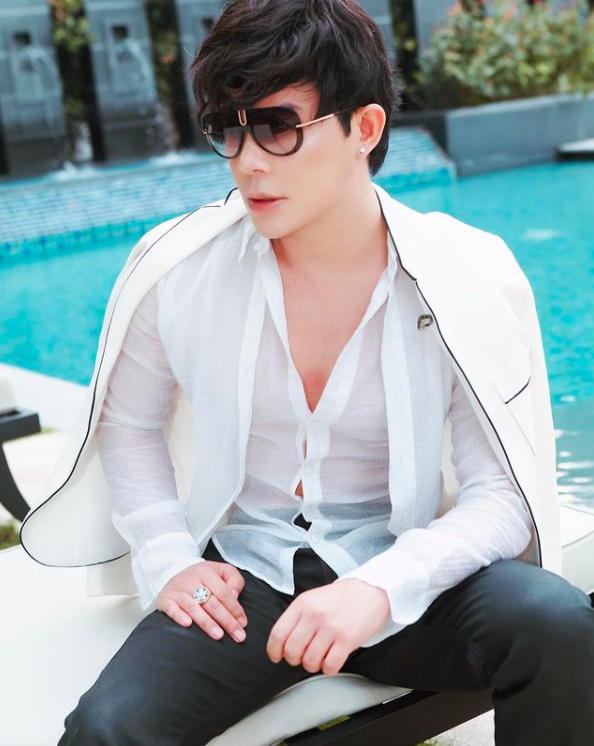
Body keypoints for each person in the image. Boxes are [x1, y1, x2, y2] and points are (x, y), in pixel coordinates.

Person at [48, 0, 593, 744]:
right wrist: (169, 559)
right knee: (105, 729)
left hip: (406, 570)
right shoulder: (179, 270)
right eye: (228, 129)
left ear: (363, 128)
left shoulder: (464, 272)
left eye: (278, 127)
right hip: (246, 583)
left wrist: (380, 587)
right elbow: (130, 424)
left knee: (558, 624)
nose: (248, 161)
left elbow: (501, 494)